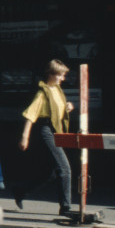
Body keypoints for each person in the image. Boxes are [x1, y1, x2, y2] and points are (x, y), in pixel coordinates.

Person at [17, 59, 75, 217]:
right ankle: (66, 208)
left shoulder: (57, 90)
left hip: (55, 130)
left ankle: (21, 191)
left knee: (51, 173)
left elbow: (57, 110)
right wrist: (24, 138)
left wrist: (68, 107)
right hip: (46, 130)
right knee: (64, 168)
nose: (63, 78)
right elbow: (30, 115)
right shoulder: (42, 93)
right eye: (61, 75)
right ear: (51, 74)